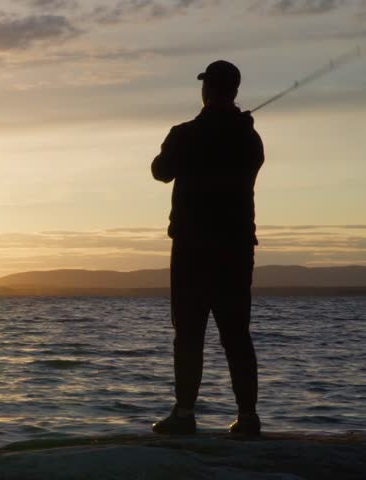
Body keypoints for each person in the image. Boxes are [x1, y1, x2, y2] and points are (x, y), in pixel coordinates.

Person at [150, 60, 264, 435]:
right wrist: (233, 127)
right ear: (233, 91)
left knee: (188, 332)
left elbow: (160, 170)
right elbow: (250, 160)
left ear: (207, 90)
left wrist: (202, 133)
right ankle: (247, 417)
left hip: (193, 249)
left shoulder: (185, 134)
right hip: (235, 248)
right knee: (236, 332)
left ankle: (184, 415)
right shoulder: (249, 137)